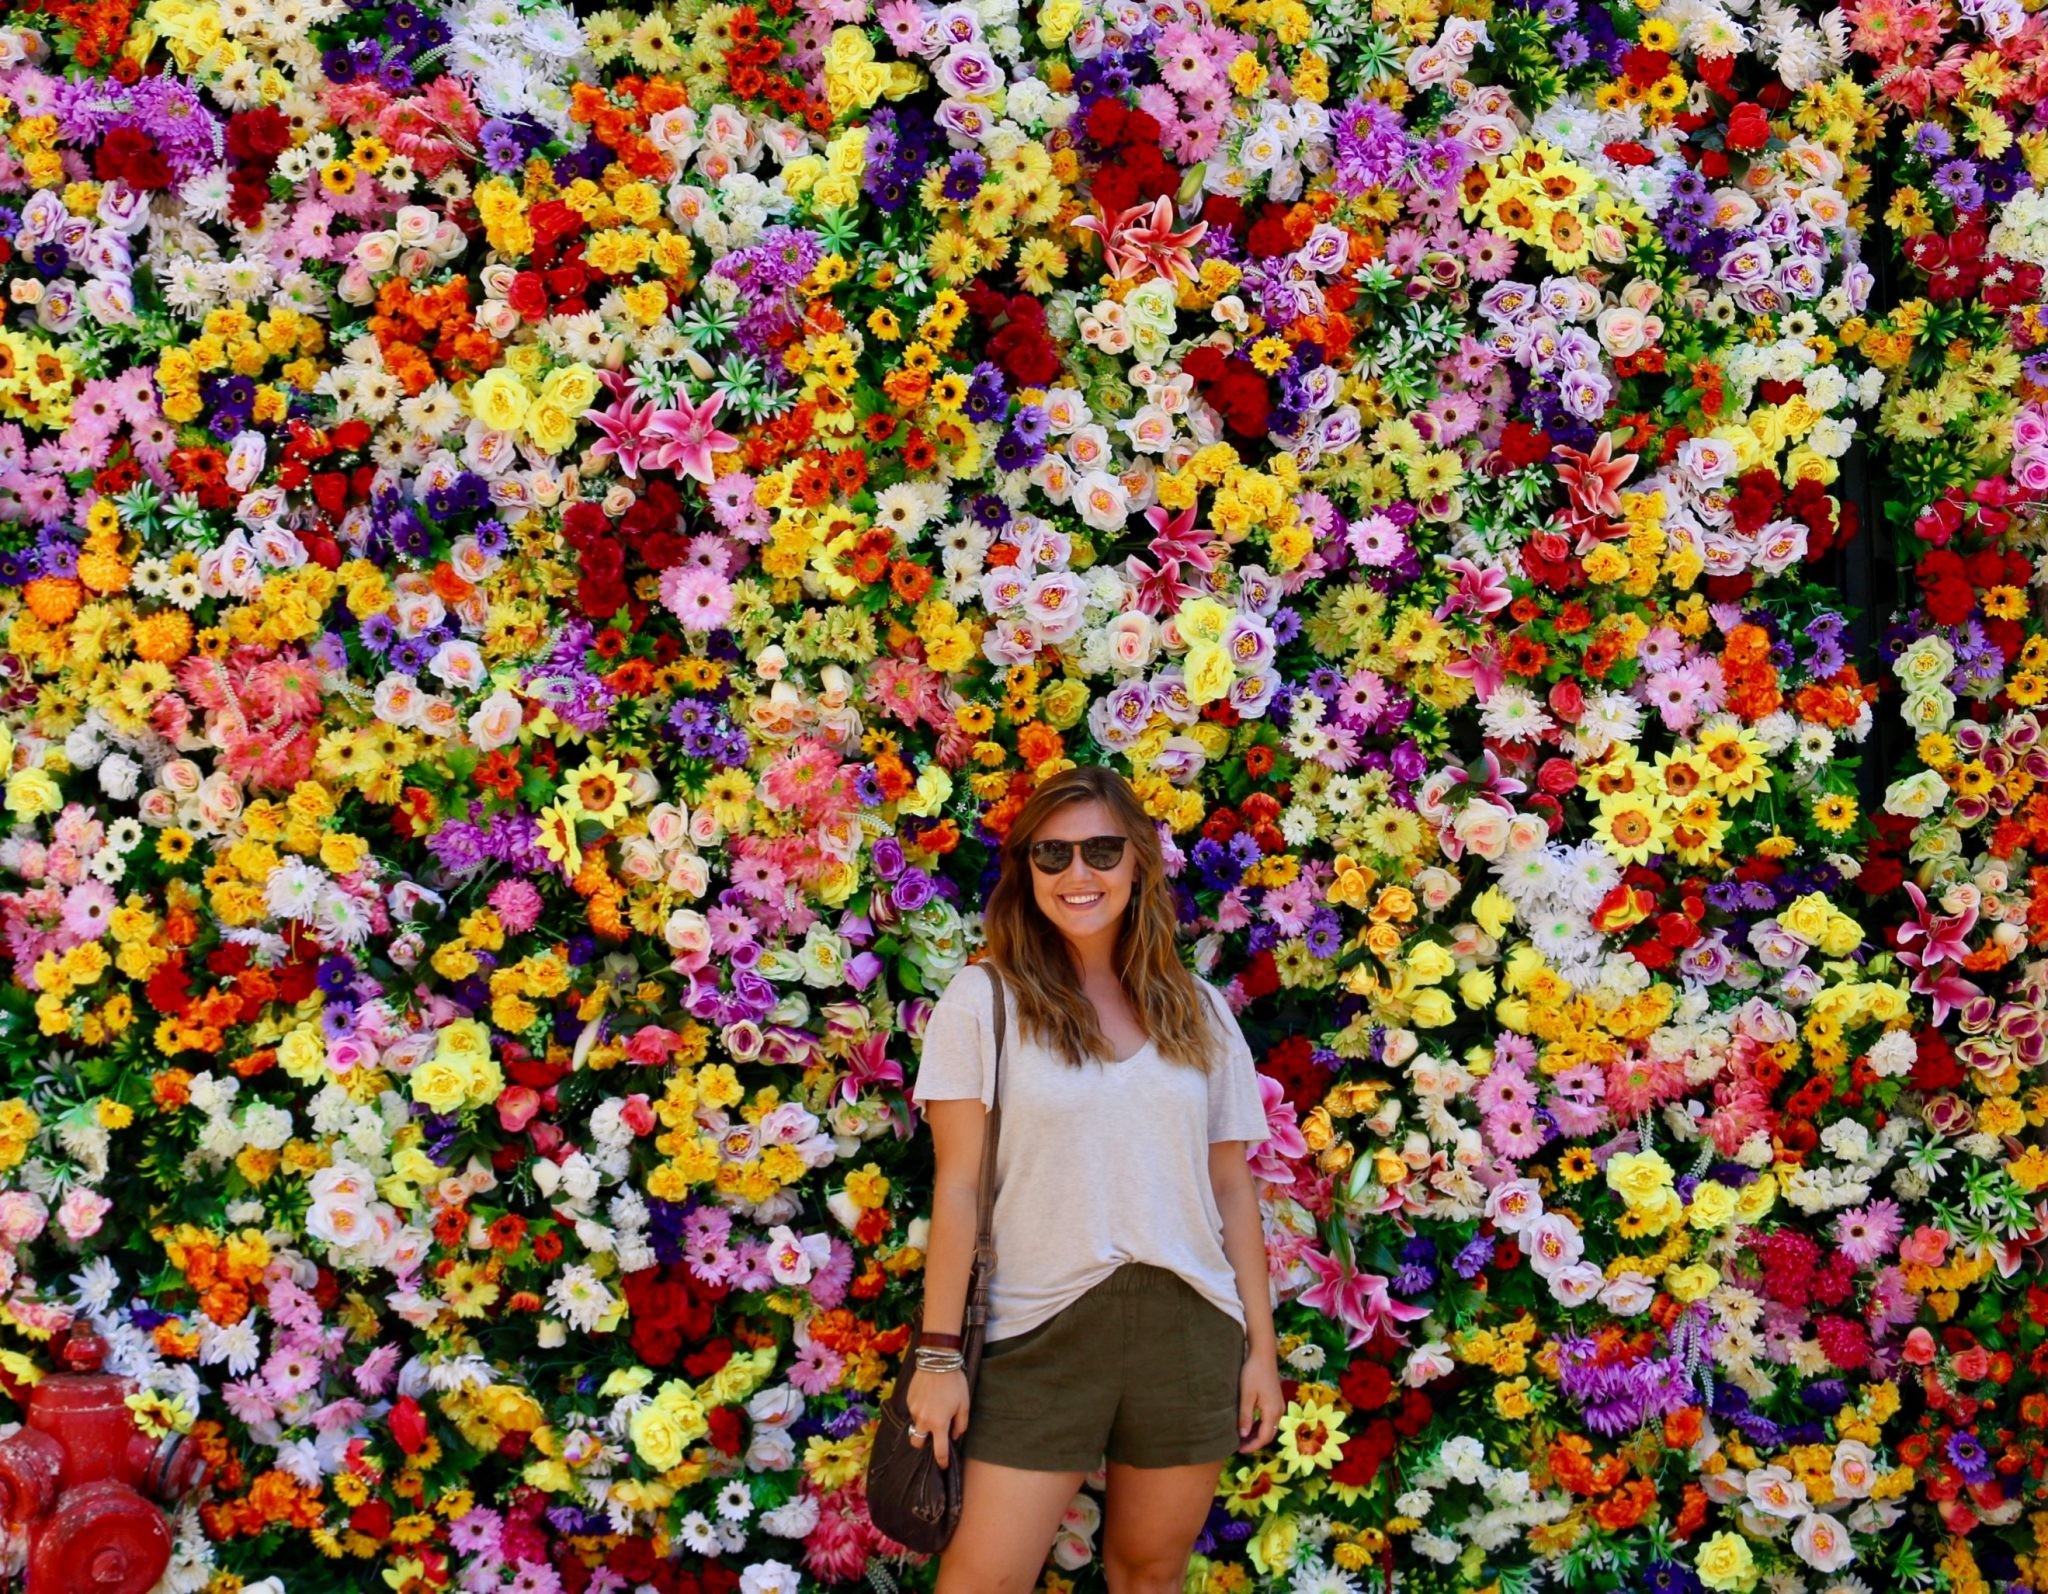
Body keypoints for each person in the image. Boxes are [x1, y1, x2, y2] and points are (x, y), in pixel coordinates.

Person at [904, 763, 1283, 1594]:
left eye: (1103, 851)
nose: (1079, 874)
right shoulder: (984, 1001)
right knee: (982, 1582)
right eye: (1053, 856)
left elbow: (1231, 1191)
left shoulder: (1200, 1009)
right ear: (1027, 870)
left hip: (1187, 1330)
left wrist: (1261, 1349)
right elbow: (959, 1187)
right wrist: (936, 1359)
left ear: (1141, 862)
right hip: (1037, 1332)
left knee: (1150, 1573)